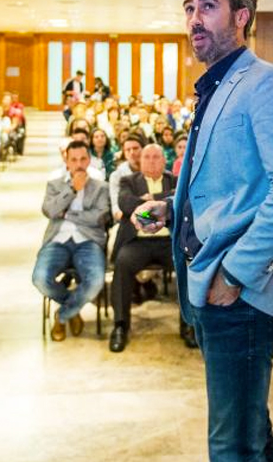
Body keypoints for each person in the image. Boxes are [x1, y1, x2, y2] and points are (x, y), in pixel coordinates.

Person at [130, 0, 273, 461]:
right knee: (249, 427)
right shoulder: (215, 88)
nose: (194, 19)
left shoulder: (268, 84)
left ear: (242, 16)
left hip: (241, 292)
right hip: (209, 284)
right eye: (189, 8)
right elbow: (235, 185)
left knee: (230, 443)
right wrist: (171, 210)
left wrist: (234, 273)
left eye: (207, 7)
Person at [110, 145, 189, 352]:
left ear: (165, 161)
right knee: (122, 263)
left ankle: (188, 325)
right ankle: (120, 326)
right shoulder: (129, 181)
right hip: (137, 241)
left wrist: (148, 201)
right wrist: (163, 201)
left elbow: (180, 203)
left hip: (169, 242)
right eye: (147, 157)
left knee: (186, 266)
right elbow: (126, 204)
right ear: (140, 160)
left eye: (156, 157)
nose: (152, 161)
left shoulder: (175, 181)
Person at [32, 140, 110, 342]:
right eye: (74, 159)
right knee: (40, 278)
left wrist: (67, 214)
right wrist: (73, 190)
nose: (79, 164)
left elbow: (99, 217)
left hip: (88, 241)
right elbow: (49, 211)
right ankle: (73, 310)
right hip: (57, 241)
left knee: (96, 281)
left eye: (83, 159)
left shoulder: (101, 187)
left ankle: (63, 315)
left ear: (89, 160)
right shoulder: (55, 185)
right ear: (66, 161)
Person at [108, 134, 144, 221]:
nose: (132, 152)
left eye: (135, 148)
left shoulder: (154, 170)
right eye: (128, 150)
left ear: (143, 149)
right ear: (124, 153)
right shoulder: (116, 176)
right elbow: (116, 208)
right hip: (127, 220)